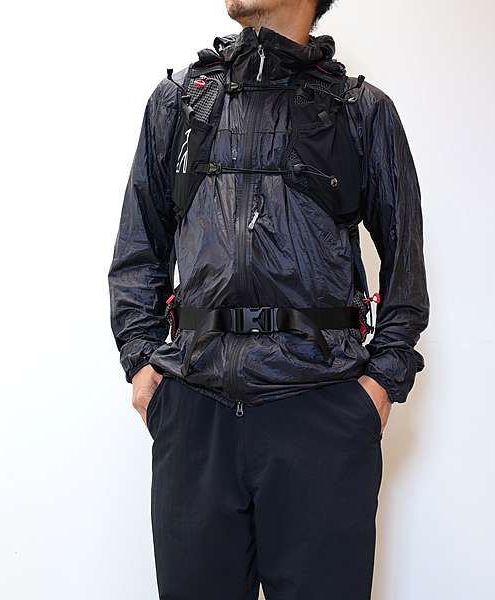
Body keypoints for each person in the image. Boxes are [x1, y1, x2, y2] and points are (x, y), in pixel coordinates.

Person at [108, 0, 429, 598]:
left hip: (322, 411)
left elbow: (406, 264)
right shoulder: (179, 103)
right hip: (195, 410)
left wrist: (379, 385)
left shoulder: (360, 111)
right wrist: (143, 361)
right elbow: (139, 248)